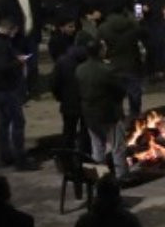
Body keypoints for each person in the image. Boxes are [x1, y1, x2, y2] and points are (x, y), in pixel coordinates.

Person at [0, 19, 38, 170]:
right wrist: (19, 62)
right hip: (7, 87)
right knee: (18, 122)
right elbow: (2, 66)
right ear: (9, 29)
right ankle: (20, 159)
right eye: (14, 32)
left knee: (3, 122)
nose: (14, 35)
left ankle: (6, 155)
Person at [77, 39, 131, 182]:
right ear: (101, 51)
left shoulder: (80, 69)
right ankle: (121, 176)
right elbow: (119, 91)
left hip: (89, 114)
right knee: (117, 146)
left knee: (97, 148)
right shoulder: (107, 70)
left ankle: (100, 177)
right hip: (108, 113)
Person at [0, 0, 43, 91]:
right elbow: (2, 18)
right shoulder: (7, 0)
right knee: (17, 65)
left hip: (31, 36)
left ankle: (33, 90)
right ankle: (19, 90)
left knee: (33, 65)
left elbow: (39, 15)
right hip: (16, 38)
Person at [98, 10, 145, 118]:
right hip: (132, 64)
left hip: (113, 66)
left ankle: (119, 117)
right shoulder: (132, 25)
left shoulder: (103, 28)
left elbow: (99, 46)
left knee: (116, 95)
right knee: (135, 93)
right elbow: (145, 36)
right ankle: (135, 115)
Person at [50, 31, 91, 155]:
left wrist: (60, 97)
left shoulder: (62, 60)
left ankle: (66, 158)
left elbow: (54, 83)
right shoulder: (91, 61)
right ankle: (85, 157)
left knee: (68, 131)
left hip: (68, 102)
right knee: (86, 133)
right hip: (87, 102)